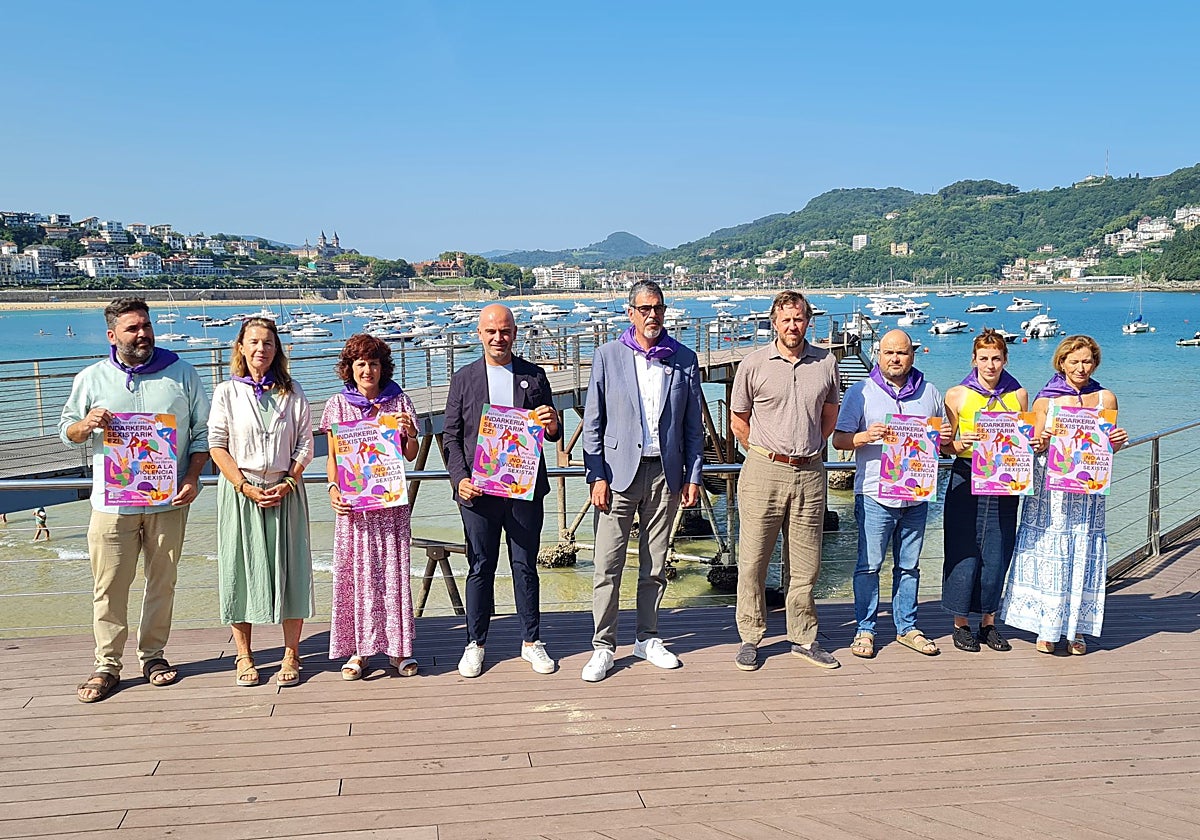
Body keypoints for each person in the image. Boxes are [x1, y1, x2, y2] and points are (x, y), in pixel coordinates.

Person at [59, 297, 210, 703]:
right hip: (112, 505)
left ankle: (153, 656)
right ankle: (107, 664)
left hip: (168, 500)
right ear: (112, 336)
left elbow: (202, 432)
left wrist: (192, 477)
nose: (143, 334)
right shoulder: (91, 378)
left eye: (146, 325)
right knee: (109, 586)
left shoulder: (182, 372)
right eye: (133, 328)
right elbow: (66, 430)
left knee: (162, 582)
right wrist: (85, 424)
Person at [581, 280, 704, 682]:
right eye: (645, 308)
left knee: (655, 564)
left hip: (665, 474)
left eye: (659, 308)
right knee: (607, 565)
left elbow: (693, 427)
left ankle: (647, 637)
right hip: (617, 475)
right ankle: (603, 646)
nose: (653, 315)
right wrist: (596, 475)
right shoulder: (607, 356)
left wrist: (693, 475)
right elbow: (593, 424)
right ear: (630, 312)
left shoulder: (684, 359)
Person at [443, 304, 561, 678]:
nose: (499, 338)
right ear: (479, 334)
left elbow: (552, 432)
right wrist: (459, 478)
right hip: (478, 492)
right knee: (481, 566)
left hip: (523, 489)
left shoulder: (534, 375)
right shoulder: (463, 379)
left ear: (515, 333)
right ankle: (475, 643)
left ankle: (531, 641)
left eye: (505, 331)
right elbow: (451, 437)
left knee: (525, 565)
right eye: (491, 331)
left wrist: (553, 424)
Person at [729, 290, 841, 671]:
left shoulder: (826, 362)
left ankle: (804, 637)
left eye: (799, 318)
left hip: (810, 472)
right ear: (774, 323)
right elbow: (738, 420)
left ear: (808, 321)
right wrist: (766, 451)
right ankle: (750, 636)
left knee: (806, 564)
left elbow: (829, 415)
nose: (793, 326)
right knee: (753, 560)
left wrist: (806, 447)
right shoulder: (753, 364)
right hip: (764, 469)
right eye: (786, 319)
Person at [1000, 335, 1127, 655]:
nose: (1081, 367)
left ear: (1095, 363)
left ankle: (1076, 629)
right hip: (1051, 491)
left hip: (1087, 493)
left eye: (1087, 361)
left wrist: (1116, 442)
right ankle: (1047, 626)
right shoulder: (1046, 400)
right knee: (1052, 550)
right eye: (1074, 361)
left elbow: (1106, 449)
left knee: (1082, 550)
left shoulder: (1106, 398)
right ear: (1062, 363)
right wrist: (1041, 441)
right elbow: (1033, 446)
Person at [208, 317, 314, 687]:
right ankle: (244, 654)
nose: (260, 349)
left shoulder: (292, 391)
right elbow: (217, 444)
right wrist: (243, 485)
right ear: (240, 347)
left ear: (276, 349)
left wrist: (289, 481)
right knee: (239, 570)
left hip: (286, 490)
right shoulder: (226, 392)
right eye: (253, 342)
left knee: (292, 569)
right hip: (241, 492)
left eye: (268, 343)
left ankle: (291, 653)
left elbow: (305, 443)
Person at [833, 329, 944, 659]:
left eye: (902, 353)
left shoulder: (930, 392)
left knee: (909, 566)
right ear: (878, 355)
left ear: (912, 356)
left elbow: (943, 441)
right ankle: (865, 629)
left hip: (916, 495)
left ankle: (907, 627)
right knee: (869, 565)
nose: (895, 358)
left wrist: (946, 435)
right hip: (874, 495)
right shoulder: (860, 392)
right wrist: (865, 436)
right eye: (889, 352)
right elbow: (839, 439)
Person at [321, 334, 420, 680]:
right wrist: (333, 487)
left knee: (393, 576)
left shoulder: (399, 401)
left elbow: (410, 455)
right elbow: (333, 458)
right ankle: (359, 651)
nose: (368, 370)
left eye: (374, 363)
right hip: (355, 508)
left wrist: (410, 433)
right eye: (361, 363)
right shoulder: (337, 405)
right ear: (349, 368)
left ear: (383, 367)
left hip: (390, 507)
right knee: (356, 576)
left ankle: (398, 649)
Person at [940, 330, 1029, 652]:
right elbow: (945, 445)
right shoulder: (956, 395)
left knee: (998, 551)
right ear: (973, 360)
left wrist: (1033, 443)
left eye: (996, 358)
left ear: (1005, 359)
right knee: (962, 549)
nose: (990, 365)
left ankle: (989, 623)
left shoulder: (1019, 394)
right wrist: (958, 444)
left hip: (1005, 478)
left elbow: (1023, 438)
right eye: (984, 358)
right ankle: (960, 623)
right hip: (966, 475)